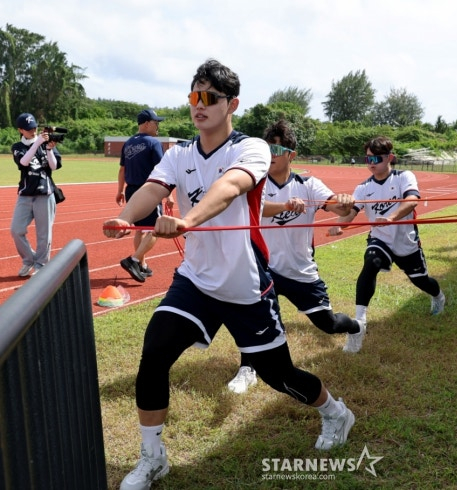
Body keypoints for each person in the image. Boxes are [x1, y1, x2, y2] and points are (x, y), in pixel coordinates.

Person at [103, 59, 355, 490]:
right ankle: (153, 458)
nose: (198, 105)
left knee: (279, 375)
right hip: (196, 279)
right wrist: (125, 217)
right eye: (193, 96)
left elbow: (230, 187)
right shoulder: (179, 153)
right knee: (155, 350)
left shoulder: (251, 148)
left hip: (245, 283)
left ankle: (335, 413)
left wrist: (187, 220)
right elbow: (153, 189)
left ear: (232, 104)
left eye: (209, 97)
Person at [227, 119, 361, 393]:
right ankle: (247, 369)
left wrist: (345, 203)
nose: (271, 155)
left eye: (277, 150)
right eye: (268, 149)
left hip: (301, 271)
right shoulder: (255, 184)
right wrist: (285, 206)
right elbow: (259, 207)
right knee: (254, 320)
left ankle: (355, 327)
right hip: (264, 269)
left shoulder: (308, 184)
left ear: (291, 155)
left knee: (329, 324)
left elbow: (337, 208)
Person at [328, 136, 446, 354]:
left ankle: (438, 296)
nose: (371, 163)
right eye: (368, 158)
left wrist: (391, 217)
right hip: (380, 238)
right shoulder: (363, 188)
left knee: (421, 281)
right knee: (371, 262)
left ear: (390, 157)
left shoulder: (404, 177)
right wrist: (339, 224)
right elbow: (351, 213)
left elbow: (412, 200)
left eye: (376, 158)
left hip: (406, 242)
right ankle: (360, 323)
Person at [117, 109, 174, 283]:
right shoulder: (153, 143)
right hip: (148, 192)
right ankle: (134, 260)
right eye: (156, 123)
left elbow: (122, 169)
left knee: (141, 230)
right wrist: (169, 195)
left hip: (131, 191)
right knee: (155, 229)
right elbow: (162, 169)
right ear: (147, 123)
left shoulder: (128, 143)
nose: (158, 126)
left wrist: (120, 190)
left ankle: (141, 264)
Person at [10, 113, 62, 277]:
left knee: (43, 234)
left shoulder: (45, 143)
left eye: (34, 128)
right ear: (20, 130)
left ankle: (41, 264)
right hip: (25, 194)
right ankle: (29, 260)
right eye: (28, 129)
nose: (33, 131)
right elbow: (24, 162)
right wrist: (37, 143)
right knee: (16, 230)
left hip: (45, 193)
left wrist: (49, 149)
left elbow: (54, 166)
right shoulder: (18, 147)